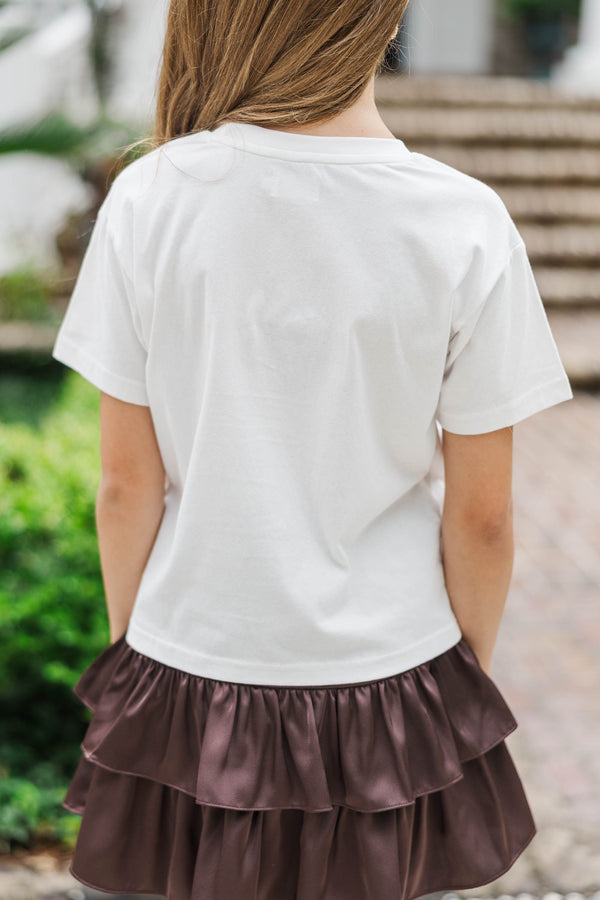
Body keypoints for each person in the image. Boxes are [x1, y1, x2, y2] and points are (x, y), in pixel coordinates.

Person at [51, 0, 574, 897]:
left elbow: (126, 486)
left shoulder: (152, 195)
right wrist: (456, 689)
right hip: (391, 677)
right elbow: (485, 518)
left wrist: (137, 655)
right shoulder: (464, 221)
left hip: (189, 665)